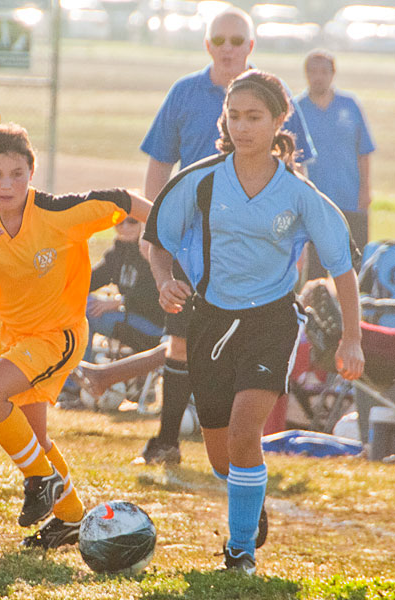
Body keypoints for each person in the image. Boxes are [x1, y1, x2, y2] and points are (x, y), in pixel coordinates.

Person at [77, 5, 318, 467]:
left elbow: (296, 168)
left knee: (242, 338)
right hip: (192, 241)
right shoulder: (185, 92)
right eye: (219, 40)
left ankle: (237, 443)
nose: (228, 48)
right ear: (207, 45)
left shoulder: (272, 91)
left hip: (256, 245)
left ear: (251, 46)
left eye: (237, 40)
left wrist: (296, 235)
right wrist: (154, 231)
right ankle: (168, 441)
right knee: (183, 339)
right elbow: (159, 162)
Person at [144, 69, 364, 574]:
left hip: (270, 321)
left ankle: (240, 550)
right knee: (222, 456)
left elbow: (342, 267)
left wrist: (351, 338)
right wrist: (164, 281)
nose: (242, 127)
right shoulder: (200, 180)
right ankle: (250, 495)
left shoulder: (299, 194)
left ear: (279, 120)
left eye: (254, 117)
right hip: (209, 321)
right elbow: (158, 241)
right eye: (234, 116)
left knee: (246, 434)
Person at [0, 123, 152, 549]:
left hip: (58, 335)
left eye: (17, 174)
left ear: (31, 173)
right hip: (15, 338)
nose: (6, 184)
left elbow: (123, 199)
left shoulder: (56, 211)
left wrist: (165, 232)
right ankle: (71, 518)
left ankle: (40, 480)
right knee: (35, 438)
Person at [57, 217, 164, 408]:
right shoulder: (119, 252)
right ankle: (74, 381)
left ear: (143, 222)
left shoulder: (151, 249)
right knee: (80, 303)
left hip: (155, 327)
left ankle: (75, 388)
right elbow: (89, 280)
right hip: (129, 318)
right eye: (119, 222)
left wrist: (117, 302)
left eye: (132, 221)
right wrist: (61, 289)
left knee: (86, 315)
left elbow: (154, 296)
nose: (125, 227)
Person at [295, 49, 376, 280]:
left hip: (351, 198)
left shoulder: (349, 105)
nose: (318, 77)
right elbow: (293, 157)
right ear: (306, 74)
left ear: (333, 74)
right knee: (316, 271)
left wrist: (365, 190)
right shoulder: (297, 108)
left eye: (324, 71)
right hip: (316, 202)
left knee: (355, 266)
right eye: (313, 71)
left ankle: (354, 304)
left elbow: (364, 151)